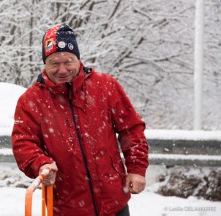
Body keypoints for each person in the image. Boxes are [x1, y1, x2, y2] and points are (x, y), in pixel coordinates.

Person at [11, 23, 149, 216]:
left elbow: (131, 130)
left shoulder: (105, 87)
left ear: (78, 59)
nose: (62, 69)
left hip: (113, 204)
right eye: (54, 63)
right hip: (65, 207)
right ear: (45, 64)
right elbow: (24, 143)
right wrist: (41, 163)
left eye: (68, 61)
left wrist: (136, 168)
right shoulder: (31, 101)